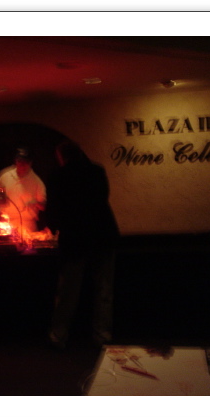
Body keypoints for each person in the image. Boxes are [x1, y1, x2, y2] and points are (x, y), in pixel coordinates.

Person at [45, 140, 120, 349]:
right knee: (104, 289)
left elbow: (54, 206)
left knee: (68, 290)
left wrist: (52, 227)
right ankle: (102, 335)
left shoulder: (58, 175)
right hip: (103, 234)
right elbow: (102, 198)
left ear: (62, 156)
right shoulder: (97, 171)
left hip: (75, 237)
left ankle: (58, 335)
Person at [0, 147, 46, 236]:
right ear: (16, 161)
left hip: (28, 225)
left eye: (25, 162)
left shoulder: (36, 181)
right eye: (20, 161)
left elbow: (43, 206)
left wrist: (36, 203)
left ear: (30, 163)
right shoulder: (5, 176)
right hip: (7, 224)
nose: (22, 165)